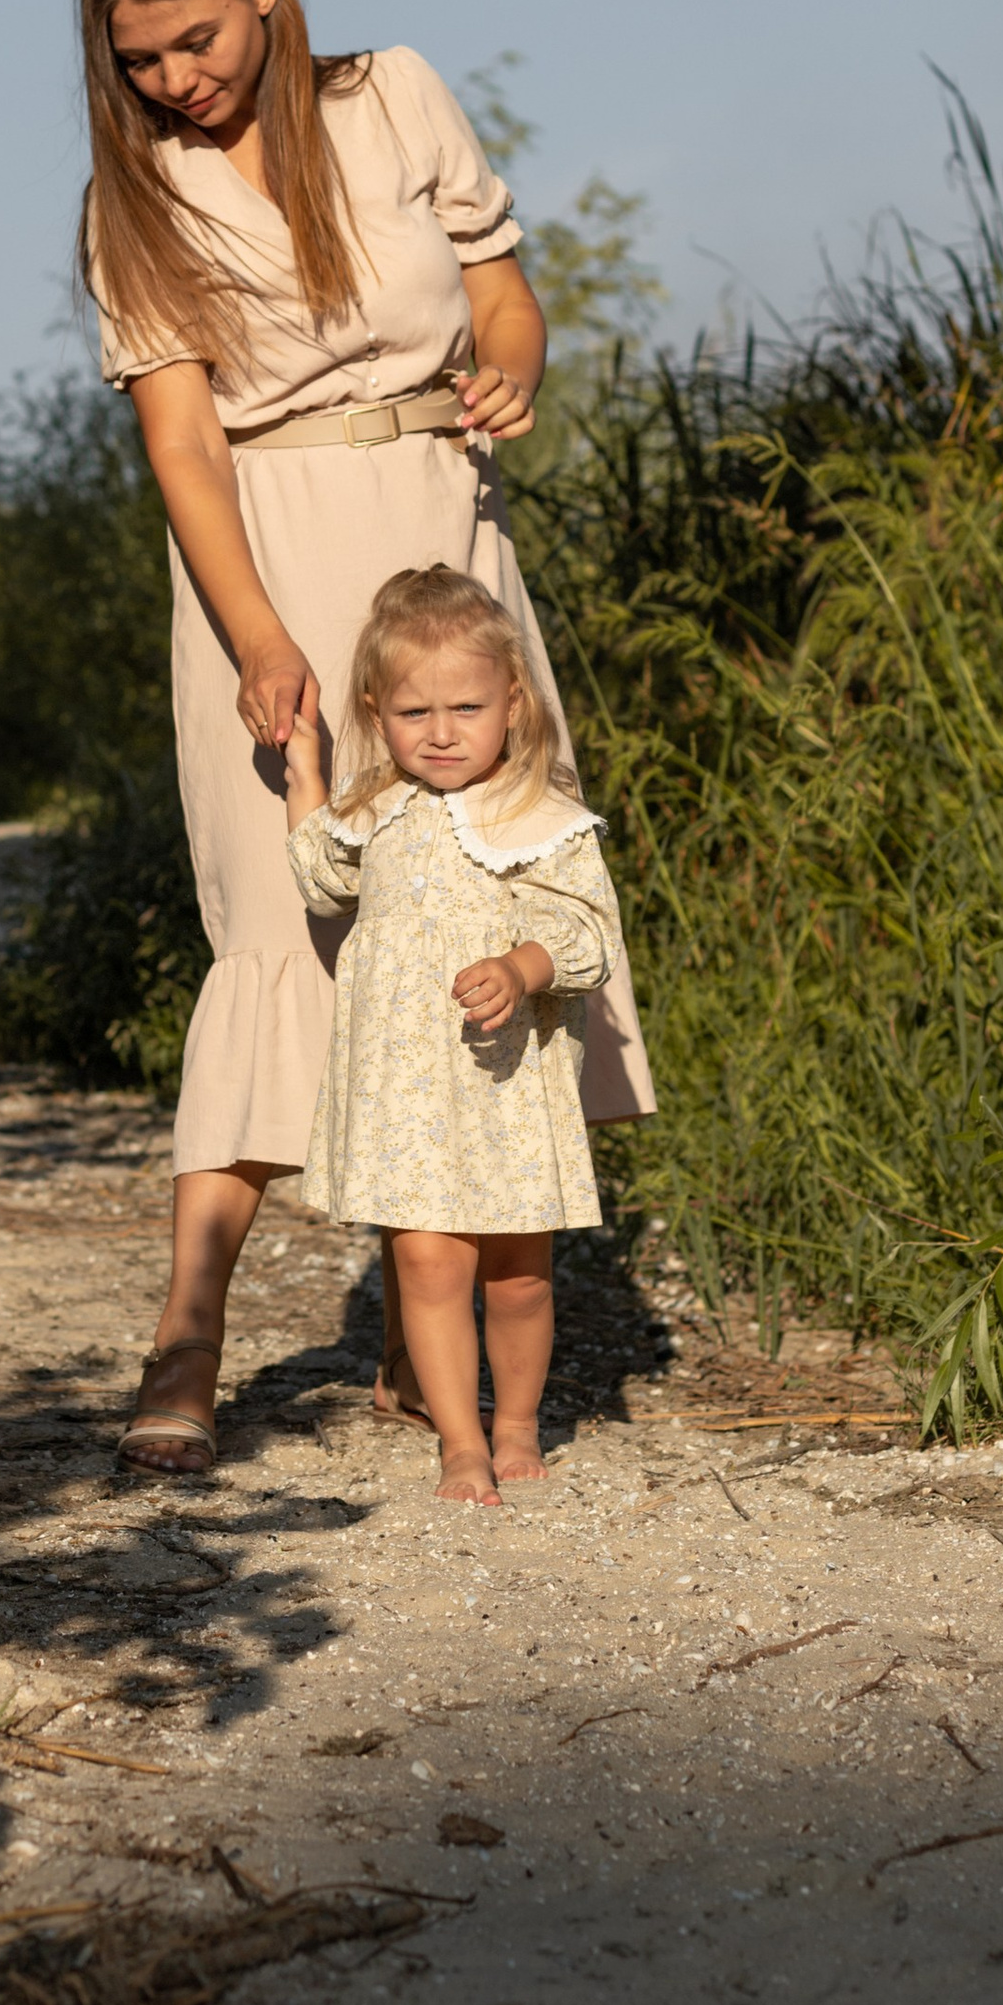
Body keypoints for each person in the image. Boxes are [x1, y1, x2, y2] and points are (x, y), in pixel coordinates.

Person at [76, 0, 653, 1476]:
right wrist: (261, 639)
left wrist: (512, 374)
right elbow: (183, 444)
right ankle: (189, 1336)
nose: (171, 79)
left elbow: (503, 297)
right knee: (283, 935)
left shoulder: (394, 100)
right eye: (136, 59)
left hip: (439, 544)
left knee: (479, 903)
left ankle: (431, 1338)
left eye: (191, 38)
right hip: (263, 556)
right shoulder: (141, 202)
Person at [283, 565, 622, 1506]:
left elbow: (591, 933)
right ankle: (460, 1441)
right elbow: (322, 879)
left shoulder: (543, 817)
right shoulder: (375, 806)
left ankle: (518, 1421)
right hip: (406, 1091)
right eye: (412, 712)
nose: (439, 733)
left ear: (513, 701)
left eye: (465, 707)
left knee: (515, 1275)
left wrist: (522, 968)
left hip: (509, 1086)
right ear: (376, 711)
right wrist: (307, 771)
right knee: (428, 1261)